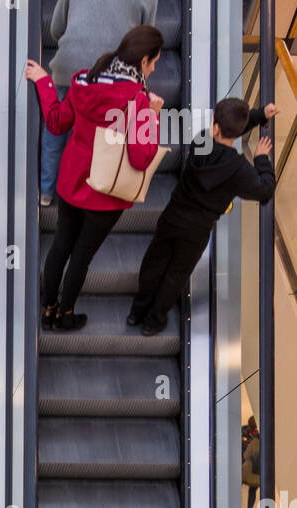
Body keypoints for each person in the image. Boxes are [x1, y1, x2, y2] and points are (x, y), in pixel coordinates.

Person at [25, 26, 164, 331]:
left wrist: (44, 81)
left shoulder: (85, 80)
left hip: (71, 183)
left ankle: (48, 308)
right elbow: (141, 158)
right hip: (106, 196)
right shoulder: (138, 100)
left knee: (61, 244)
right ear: (142, 62)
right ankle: (65, 314)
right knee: (81, 256)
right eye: (153, 62)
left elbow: (56, 122)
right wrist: (153, 115)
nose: (154, 68)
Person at [129, 98, 277, 336]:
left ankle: (137, 311)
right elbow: (265, 190)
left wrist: (258, 115)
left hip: (173, 216)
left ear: (215, 128)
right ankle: (154, 320)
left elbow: (224, 132)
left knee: (154, 263)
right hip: (197, 230)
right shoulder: (239, 170)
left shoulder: (200, 142)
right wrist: (261, 158)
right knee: (176, 273)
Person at [42, 0, 159, 204]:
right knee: (109, 131)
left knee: (56, 130)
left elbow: (56, 29)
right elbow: (145, 39)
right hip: (115, 76)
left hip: (68, 66)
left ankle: (46, 191)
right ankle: (101, 187)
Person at [242, 415, 261, 508]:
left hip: (250, 470)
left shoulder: (255, 441)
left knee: (251, 490)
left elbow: (246, 455)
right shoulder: (263, 438)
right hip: (259, 471)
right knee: (252, 491)